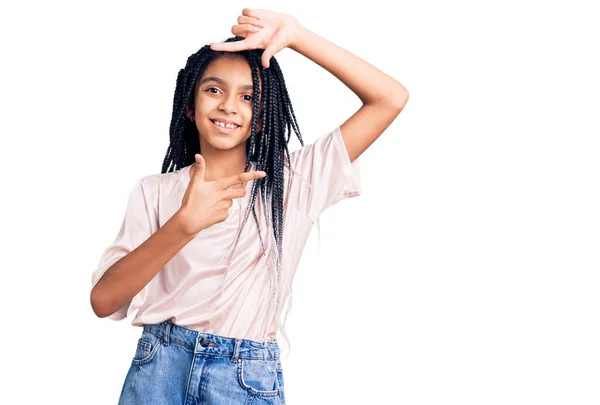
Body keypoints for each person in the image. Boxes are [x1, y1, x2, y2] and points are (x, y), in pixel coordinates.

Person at [90, 8, 409, 405]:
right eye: (213, 90)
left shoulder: (295, 181)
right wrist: (184, 224)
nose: (228, 106)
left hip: (241, 379)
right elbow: (104, 301)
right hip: (159, 369)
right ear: (190, 106)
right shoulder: (154, 191)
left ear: (262, 117)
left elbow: (390, 98)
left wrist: (298, 36)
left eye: (248, 97)